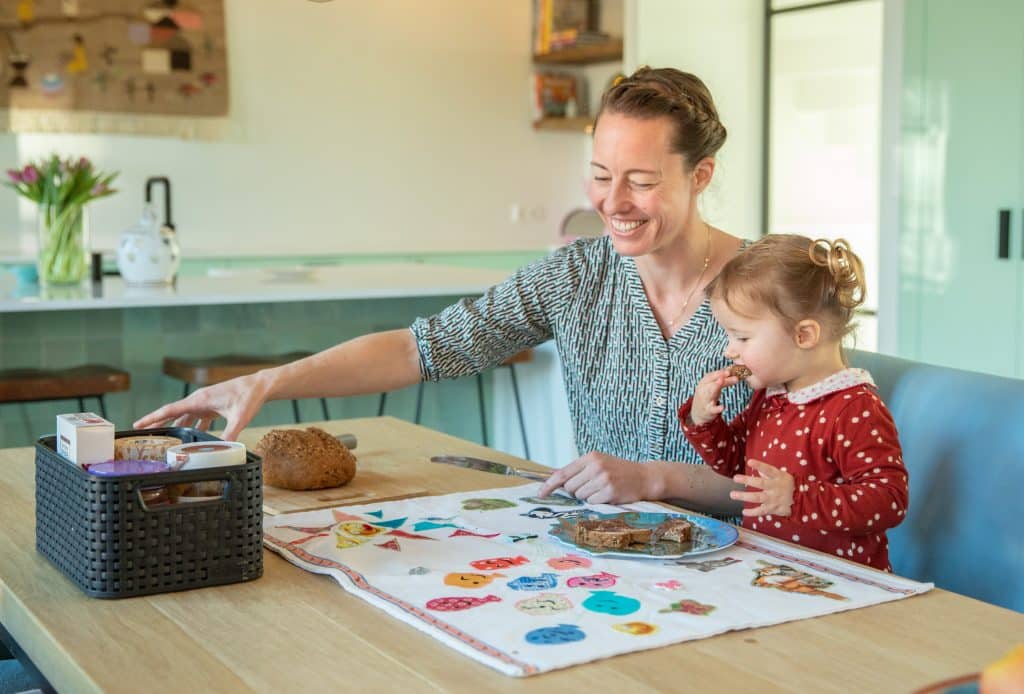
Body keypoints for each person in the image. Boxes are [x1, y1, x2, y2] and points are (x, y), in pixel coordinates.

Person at [135, 66, 751, 512]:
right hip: (616, 557)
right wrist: (267, 382)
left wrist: (654, 479)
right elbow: (419, 348)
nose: (612, 202)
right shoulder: (575, 277)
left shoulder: (772, 287)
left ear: (701, 176)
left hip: (760, 568)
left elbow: (813, 485)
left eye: (640, 181)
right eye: (599, 175)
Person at [678, 235, 909, 571]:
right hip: (774, 573)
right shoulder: (773, 397)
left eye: (742, 337)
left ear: (804, 336)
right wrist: (703, 421)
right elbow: (734, 464)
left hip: (841, 585)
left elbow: (889, 501)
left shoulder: (855, 407)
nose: (730, 350)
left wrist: (797, 498)